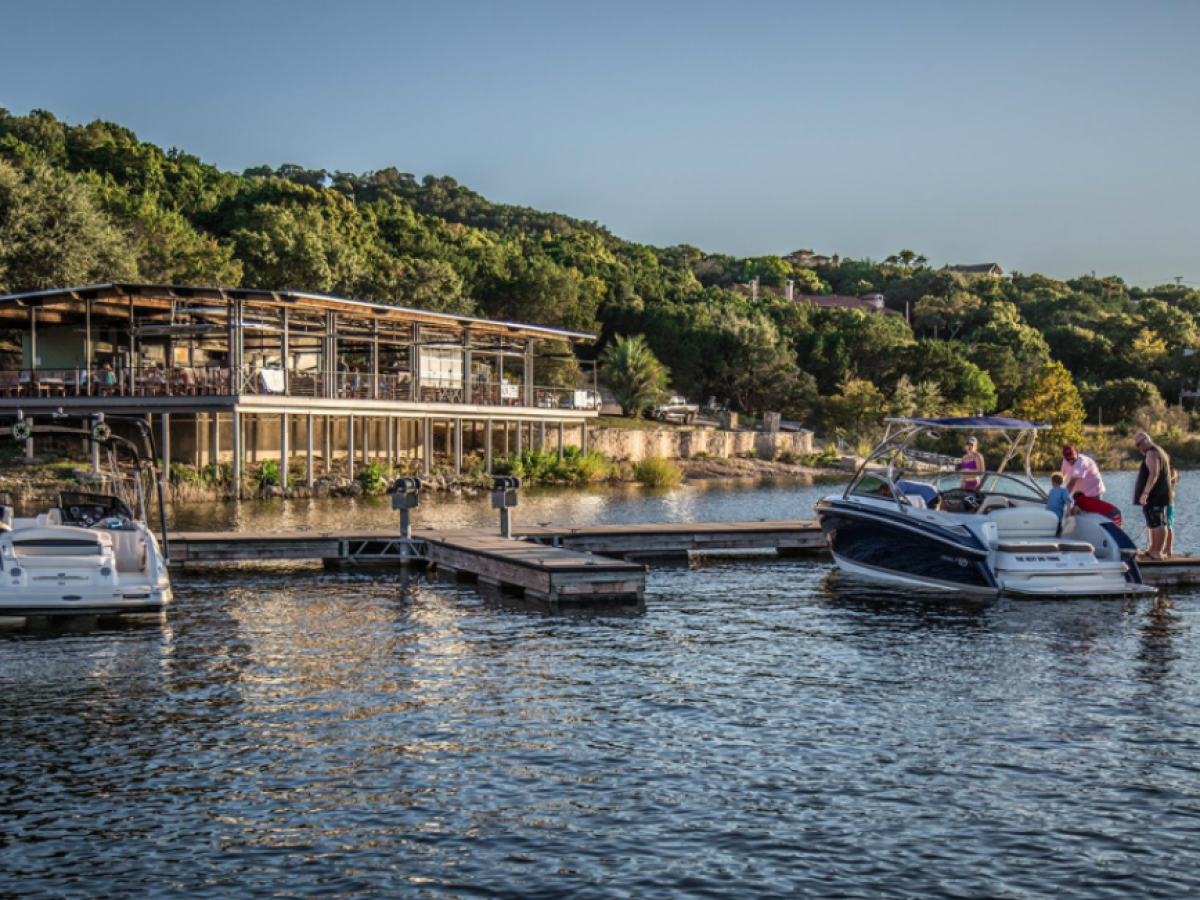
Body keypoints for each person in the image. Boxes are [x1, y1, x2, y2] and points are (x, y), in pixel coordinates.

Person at [1132, 431, 1172, 560]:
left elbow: (1154, 474)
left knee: (1157, 522)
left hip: (1155, 495)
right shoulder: (1159, 451)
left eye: (1138, 444)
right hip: (1158, 494)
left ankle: (1156, 552)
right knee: (1155, 521)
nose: (1138, 448)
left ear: (1145, 441)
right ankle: (1153, 550)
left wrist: (1145, 493)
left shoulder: (1151, 453)